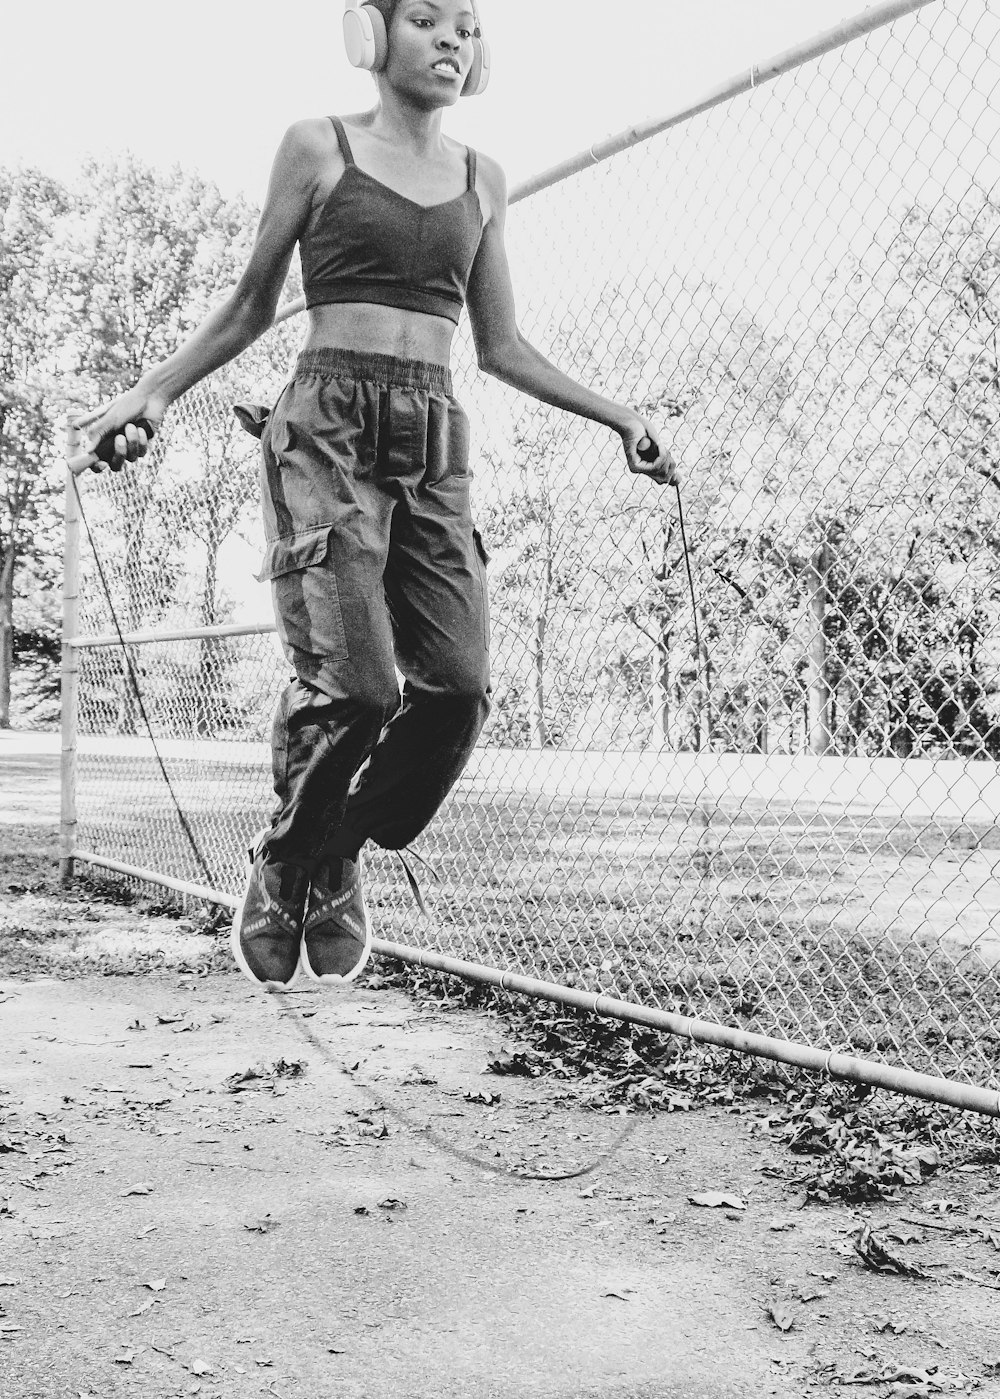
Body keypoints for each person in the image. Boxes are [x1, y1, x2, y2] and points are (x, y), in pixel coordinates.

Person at [71, 0, 677, 993]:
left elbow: (505, 347)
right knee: (356, 685)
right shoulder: (318, 145)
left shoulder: (483, 178)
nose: (451, 40)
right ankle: (283, 857)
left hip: (435, 432)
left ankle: (334, 843)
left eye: (466, 27)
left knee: (458, 686)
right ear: (372, 35)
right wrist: (149, 393)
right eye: (427, 19)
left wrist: (620, 416)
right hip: (329, 426)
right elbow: (248, 306)